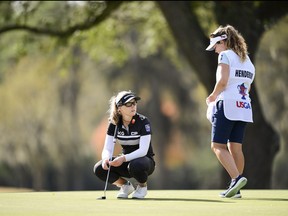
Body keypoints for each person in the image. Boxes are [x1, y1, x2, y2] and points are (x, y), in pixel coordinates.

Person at [205, 25, 255, 198]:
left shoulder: (225, 56)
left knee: (217, 145)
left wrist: (212, 96)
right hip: (244, 107)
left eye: (216, 46)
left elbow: (223, 81)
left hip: (226, 104)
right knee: (235, 148)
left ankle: (236, 178)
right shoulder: (246, 59)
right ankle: (236, 190)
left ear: (223, 42)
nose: (215, 51)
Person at [93, 90, 156, 199]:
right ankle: (125, 186)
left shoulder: (143, 122)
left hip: (144, 162)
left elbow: (143, 150)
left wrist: (123, 158)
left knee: (135, 165)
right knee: (99, 168)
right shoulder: (113, 123)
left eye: (134, 103)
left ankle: (142, 186)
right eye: (128, 104)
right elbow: (107, 148)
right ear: (119, 108)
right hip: (125, 162)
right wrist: (106, 159)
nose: (133, 106)